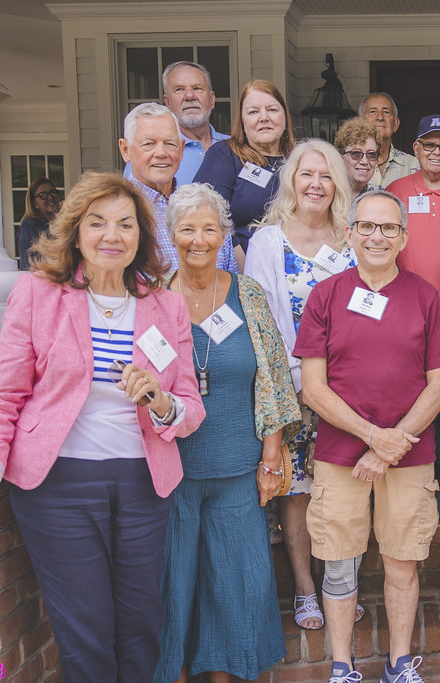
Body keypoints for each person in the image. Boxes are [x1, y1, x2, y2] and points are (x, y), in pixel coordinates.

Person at [0, 172, 205, 681]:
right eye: (97, 223)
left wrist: (158, 400)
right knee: (85, 631)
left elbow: (190, 409)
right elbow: (4, 394)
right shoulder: (37, 295)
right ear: (75, 232)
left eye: (125, 224)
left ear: (141, 236)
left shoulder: (166, 305)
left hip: (142, 483)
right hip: (58, 487)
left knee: (141, 625)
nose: (112, 235)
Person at [295, 190, 440, 683]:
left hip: (408, 456)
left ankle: (398, 664)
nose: (377, 237)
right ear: (349, 233)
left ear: (403, 237)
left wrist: (390, 446)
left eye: (388, 228)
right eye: (367, 226)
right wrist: (371, 437)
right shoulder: (326, 295)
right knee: (340, 567)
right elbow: (313, 388)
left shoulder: (424, 295)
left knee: (402, 565)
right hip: (340, 455)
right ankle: (342, 667)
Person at [154, 184, 299, 682]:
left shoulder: (248, 296)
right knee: (172, 589)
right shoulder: (150, 298)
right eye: (187, 228)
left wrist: (271, 459)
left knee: (238, 589)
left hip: (239, 468)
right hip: (171, 473)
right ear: (171, 235)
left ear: (223, 235)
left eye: (209, 228)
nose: (198, 238)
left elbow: (276, 379)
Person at [244, 139, 357, 633]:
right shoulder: (269, 241)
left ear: (339, 185)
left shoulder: (355, 239)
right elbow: (260, 324)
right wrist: (279, 391)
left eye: (326, 175)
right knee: (297, 491)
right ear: (291, 180)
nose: (315, 184)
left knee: (343, 490)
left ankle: (340, 582)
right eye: (306, 174)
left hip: (349, 391)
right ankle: (305, 589)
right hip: (291, 389)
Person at [388, 114, 440, 499]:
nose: (436, 152)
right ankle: (420, 484)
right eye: (429, 145)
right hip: (405, 323)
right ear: (415, 149)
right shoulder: (397, 189)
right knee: (413, 400)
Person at [121, 102, 238, 275]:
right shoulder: (116, 213)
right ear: (125, 150)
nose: (161, 153)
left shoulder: (207, 208)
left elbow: (233, 288)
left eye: (170, 144)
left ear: (182, 149)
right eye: (148, 144)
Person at [194, 79, 296, 265]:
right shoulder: (225, 155)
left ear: (285, 117)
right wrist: (244, 267)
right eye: (253, 112)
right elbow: (206, 214)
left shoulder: (299, 161)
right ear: (242, 120)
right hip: (240, 267)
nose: (264, 118)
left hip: (294, 270)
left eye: (272, 110)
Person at [124, 61, 230, 186]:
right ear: (167, 102)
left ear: (212, 99)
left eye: (197, 88)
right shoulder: (150, 156)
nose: (189, 96)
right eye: (179, 89)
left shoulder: (237, 147)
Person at [360, 92, 419, 187]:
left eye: (386, 112)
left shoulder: (413, 166)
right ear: (360, 122)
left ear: (396, 124)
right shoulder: (347, 164)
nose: (380, 117)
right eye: (373, 111)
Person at [18, 177, 61, 270]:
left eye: (53, 193)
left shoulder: (66, 223)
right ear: (34, 203)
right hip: (45, 280)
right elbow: (28, 264)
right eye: (43, 195)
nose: (50, 197)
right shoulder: (29, 225)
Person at [334, 116, 382, 195]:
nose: (364, 161)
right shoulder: (329, 194)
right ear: (341, 156)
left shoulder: (380, 197)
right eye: (356, 153)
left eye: (371, 154)